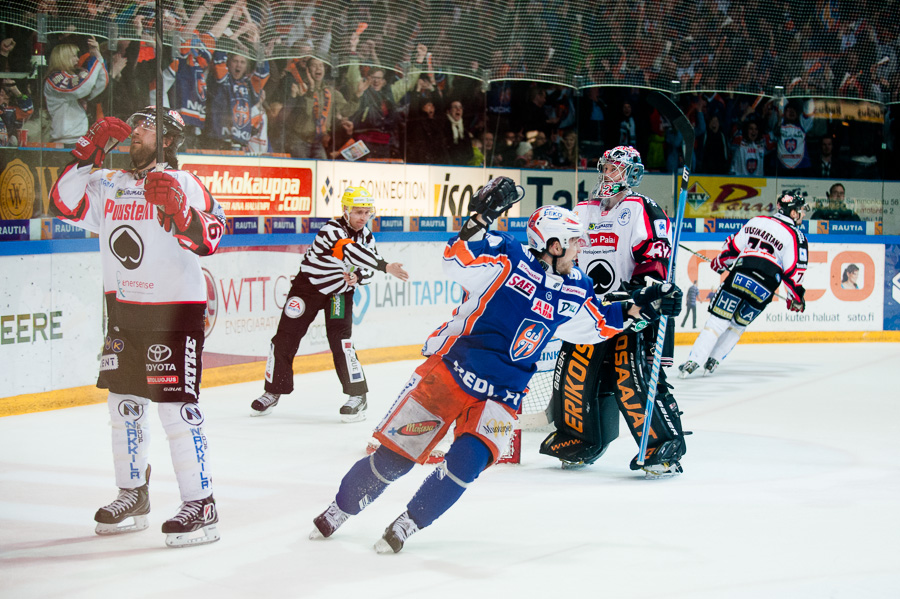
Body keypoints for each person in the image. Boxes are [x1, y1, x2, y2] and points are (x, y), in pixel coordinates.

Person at [308, 178, 682, 553]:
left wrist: (640, 305)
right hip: (452, 373)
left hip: (504, 394)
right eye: (572, 241)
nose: (580, 246)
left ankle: (408, 523)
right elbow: (456, 259)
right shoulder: (507, 256)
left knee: (465, 464)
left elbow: (597, 323)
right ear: (552, 245)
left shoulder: (577, 287)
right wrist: (479, 218)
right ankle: (339, 509)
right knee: (394, 460)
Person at [49, 106, 227, 547]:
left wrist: (181, 211)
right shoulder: (109, 183)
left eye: (149, 125)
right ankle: (133, 493)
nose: (137, 130)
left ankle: (201, 503)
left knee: (175, 410)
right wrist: (87, 152)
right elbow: (62, 204)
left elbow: (213, 236)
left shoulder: (185, 182)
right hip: (124, 310)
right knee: (123, 407)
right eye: (137, 122)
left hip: (174, 313)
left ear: (169, 139)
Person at [539, 145, 688, 476]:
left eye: (616, 168)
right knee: (574, 374)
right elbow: (565, 254)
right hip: (588, 310)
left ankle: (660, 444)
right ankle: (577, 437)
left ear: (632, 174)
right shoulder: (583, 209)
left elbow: (654, 262)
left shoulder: (642, 209)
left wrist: (641, 294)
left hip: (627, 309)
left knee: (629, 376)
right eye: (606, 166)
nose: (609, 172)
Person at [250, 187, 410, 420]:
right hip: (307, 289)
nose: (363, 217)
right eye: (357, 212)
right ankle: (273, 391)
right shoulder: (330, 230)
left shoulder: (367, 236)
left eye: (367, 212)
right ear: (345, 211)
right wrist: (385, 266)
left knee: (342, 342)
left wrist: (359, 277)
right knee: (285, 338)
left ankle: (357, 396)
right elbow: (350, 251)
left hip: (338, 294)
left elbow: (366, 269)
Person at [679, 191, 809, 377]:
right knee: (737, 325)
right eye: (800, 210)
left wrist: (719, 263)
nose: (803, 214)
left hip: (740, 275)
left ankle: (693, 361)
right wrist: (796, 298)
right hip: (764, 287)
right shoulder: (797, 236)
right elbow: (794, 273)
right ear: (793, 213)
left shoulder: (757, 221)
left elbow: (732, 249)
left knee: (717, 321)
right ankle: (713, 362)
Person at [44, 39, 108, 146]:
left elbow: (100, 84)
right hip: (64, 141)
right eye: (74, 56)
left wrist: (97, 55)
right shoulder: (54, 78)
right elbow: (81, 88)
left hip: (79, 137)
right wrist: (94, 60)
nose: (77, 59)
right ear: (63, 57)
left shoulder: (73, 77)